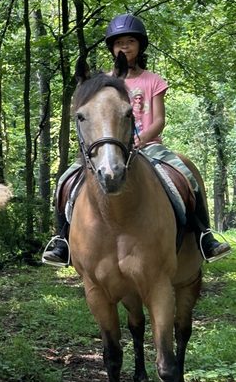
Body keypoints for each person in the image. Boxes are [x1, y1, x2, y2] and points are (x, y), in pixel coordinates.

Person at [42, 13, 230, 265]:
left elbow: (160, 120)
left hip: (149, 146)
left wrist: (142, 140)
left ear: (140, 45)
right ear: (112, 48)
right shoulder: (103, 83)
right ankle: (62, 239)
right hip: (109, 147)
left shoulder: (153, 80)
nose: (125, 47)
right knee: (66, 180)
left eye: (130, 41)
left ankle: (205, 235)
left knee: (186, 176)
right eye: (119, 43)